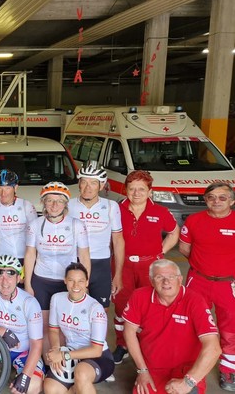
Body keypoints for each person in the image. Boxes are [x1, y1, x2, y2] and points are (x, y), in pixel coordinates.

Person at [123, 259, 221, 394]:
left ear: (180, 279)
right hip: (152, 370)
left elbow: (214, 348)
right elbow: (129, 332)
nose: (166, 282)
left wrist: (188, 382)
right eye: (159, 277)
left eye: (171, 277)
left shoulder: (195, 301)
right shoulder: (139, 296)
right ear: (151, 281)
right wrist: (142, 370)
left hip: (185, 371)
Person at [112, 170, 179, 364]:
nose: (136, 193)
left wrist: (160, 252)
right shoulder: (116, 209)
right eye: (132, 189)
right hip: (122, 265)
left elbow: (174, 233)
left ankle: (147, 344)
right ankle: (123, 345)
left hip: (149, 267)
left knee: (150, 305)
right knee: (121, 306)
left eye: (142, 189)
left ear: (150, 191)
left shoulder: (160, 212)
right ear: (126, 190)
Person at [179, 182, 235, 391]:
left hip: (229, 284)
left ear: (232, 200)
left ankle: (228, 372)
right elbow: (184, 248)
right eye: (211, 197)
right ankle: (191, 367)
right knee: (192, 324)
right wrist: (204, 265)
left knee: (231, 330)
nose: (216, 201)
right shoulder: (194, 220)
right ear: (205, 200)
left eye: (222, 197)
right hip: (198, 280)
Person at [24, 182, 90, 352]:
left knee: (63, 325)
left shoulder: (77, 225)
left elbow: (84, 256)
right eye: (50, 201)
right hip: (42, 280)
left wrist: (84, 284)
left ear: (65, 204)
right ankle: (47, 364)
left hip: (66, 282)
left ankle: (64, 361)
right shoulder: (35, 225)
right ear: (44, 203)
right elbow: (30, 254)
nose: (54, 205)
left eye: (59, 201)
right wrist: (28, 285)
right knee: (45, 326)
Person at [0, 255, 44, 394]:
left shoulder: (29, 302)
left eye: (10, 274)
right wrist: (2, 331)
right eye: (0, 274)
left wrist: (26, 376)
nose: (5, 281)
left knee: (32, 386)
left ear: (18, 278)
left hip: (22, 352)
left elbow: (37, 344)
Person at [44, 263, 114, 394]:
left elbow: (96, 350)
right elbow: (53, 330)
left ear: (87, 282)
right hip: (70, 353)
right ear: (65, 280)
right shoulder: (57, 299)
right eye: (71, 280)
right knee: (50, 389)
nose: (76, 286)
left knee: (81, 373)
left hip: (98, 357)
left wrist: (63, 355)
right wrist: (56, 349)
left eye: (81, 281)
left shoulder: (95, 308)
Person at [67, 161, 125, 308]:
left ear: (101, 185)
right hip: (74, 263)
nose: (88, 187)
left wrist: (117, 274)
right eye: (84, 182)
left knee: (101, 312)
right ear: (78, 183)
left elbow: (118, 241)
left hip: (101, 265)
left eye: (93, 183)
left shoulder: (111, 206)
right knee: (73, 309)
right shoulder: (68, 205)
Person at [0, 170, 37, 269]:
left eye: (7, 188)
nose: (3, 193)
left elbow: (35, 238)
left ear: (15, 188)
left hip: (25, 258)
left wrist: (29, 265)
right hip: (2, 259)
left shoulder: (26, 205)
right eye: (0, 188)